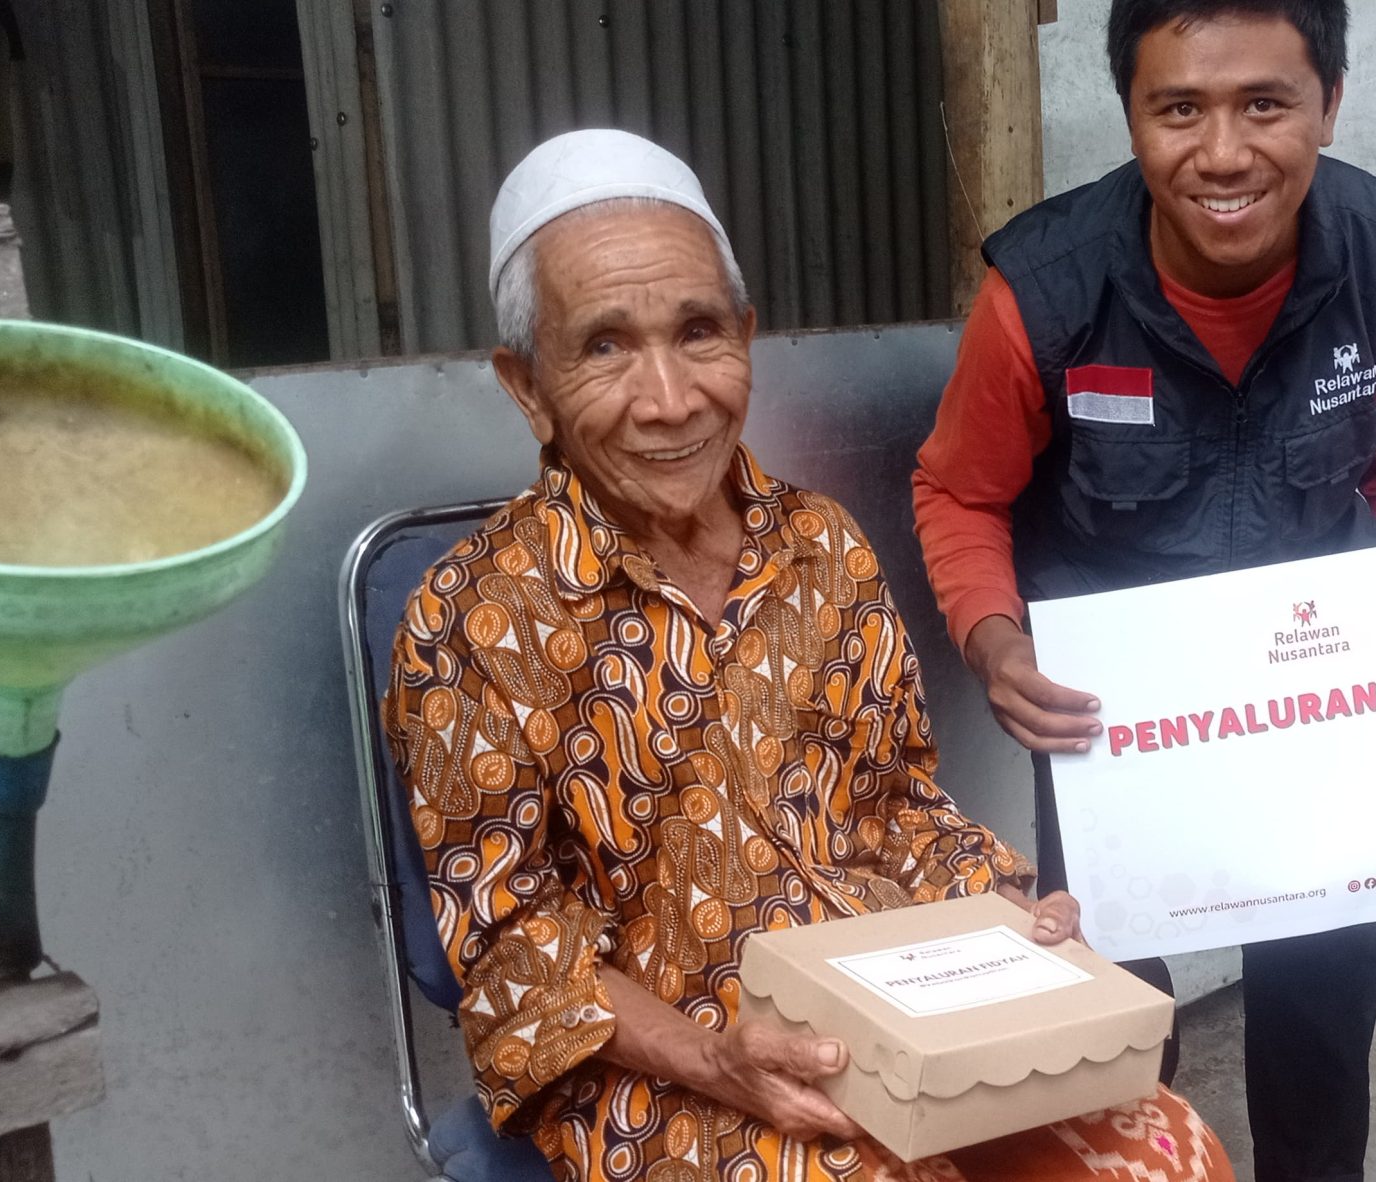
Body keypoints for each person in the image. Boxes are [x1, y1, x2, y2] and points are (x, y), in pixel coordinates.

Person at [384, 129, 1236, 1182]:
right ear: (527, 385)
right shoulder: (471, 616)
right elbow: (510, 942)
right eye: (604, 347)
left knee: (1166, 1151)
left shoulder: (820, 544)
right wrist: (717, 1057)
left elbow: (898, 806)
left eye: (699, 332)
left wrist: (1007, 906)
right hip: (662, 1067)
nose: (669, 398)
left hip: (893, 1006)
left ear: (745, 335)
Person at [910, 3, 1376, 1179]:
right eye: (1179, 109)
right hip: (1120, 719)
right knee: (1109, 998)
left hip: (1318, 699)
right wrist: (996, 645)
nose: (1222, 153)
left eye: (1264, 104)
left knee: (1324, 982)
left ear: (1329, 104)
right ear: (1131, 116)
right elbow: (960, 492)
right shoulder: (1045, 290)